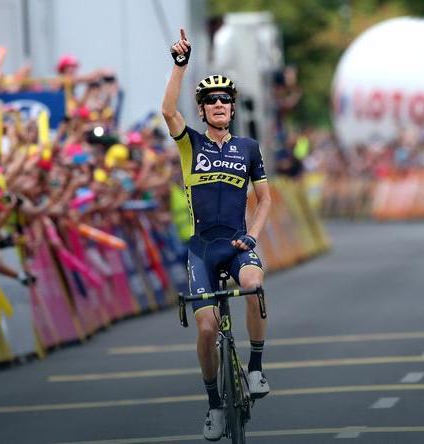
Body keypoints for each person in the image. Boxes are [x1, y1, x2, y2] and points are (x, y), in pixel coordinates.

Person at [161, 28, 272, 441]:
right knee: (207, 328)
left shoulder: (248, 148)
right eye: (211, 100)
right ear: (203, 110)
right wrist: (180, 66)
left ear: (233, 107)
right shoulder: (189, 144)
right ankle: (213, 405)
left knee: (253, 283)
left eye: (225, 99)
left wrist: (253, 237)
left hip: (239, 243)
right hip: (203, 248)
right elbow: (167, 110)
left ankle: (256, 367)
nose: (220, 104)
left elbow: (264, 201)